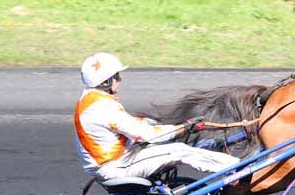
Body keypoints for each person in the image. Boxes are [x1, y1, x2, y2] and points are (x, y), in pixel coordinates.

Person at [74, 52, 239, 182]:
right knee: (179, 150)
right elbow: (148, 135)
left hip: (114, 163)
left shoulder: (89, 100)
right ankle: (236, 168)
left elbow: (131, 127)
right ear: (106, 81)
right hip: (118, 167)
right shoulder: (102, 106)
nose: (120, 79)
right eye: (116, 76)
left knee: (167, 139)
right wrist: (184, 127)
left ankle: (215, 153)